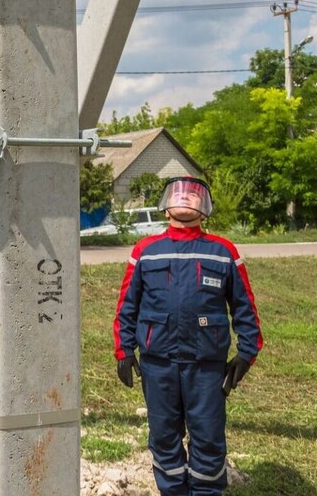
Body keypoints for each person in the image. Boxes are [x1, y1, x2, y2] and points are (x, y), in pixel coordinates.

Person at [112, 176, 263, 495]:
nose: (186, 198)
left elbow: (244, 305)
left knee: (208, 436)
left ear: (205, 208)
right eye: (178, 193)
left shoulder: (222, 251)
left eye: (194, 195)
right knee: (164, 436)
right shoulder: (146, 251)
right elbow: (127, 304)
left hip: (206, 366)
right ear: (166, 205)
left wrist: (247, 353)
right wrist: (124, 351)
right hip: (158, 364)